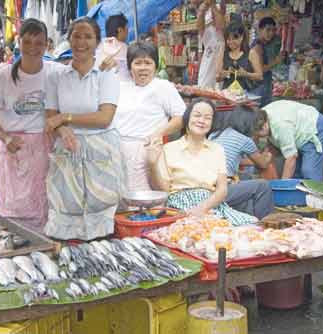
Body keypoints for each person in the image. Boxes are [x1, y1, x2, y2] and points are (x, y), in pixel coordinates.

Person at [43, 17, 123, 240]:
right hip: (68, 148)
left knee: (102, 207)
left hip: (101, 149)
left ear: (97, 41)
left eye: (88, 36)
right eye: (76, 35)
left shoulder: (106, 73)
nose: (81, 42)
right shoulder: (56, 75)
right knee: (66, 206)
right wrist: (61, 128)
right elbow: (50, 114)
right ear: (68, 39)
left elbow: (104, 117)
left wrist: (65, 118)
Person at [0, 18, 59, 233]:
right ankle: (17, 244)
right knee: (16, 206)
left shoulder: (56, 72)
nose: (33, 48)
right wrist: (5, 138)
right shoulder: (0, 78)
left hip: (47, 146)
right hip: (14, 148)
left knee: (48, 202)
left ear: (47, 45)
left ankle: (48, 246)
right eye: (27, 42)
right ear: (18, 42)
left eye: (39, 43)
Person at [148, 98, 257, 226]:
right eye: (197, 115)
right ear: (188, 118)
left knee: (252, 225)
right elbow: (164, 189)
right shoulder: (169, 149)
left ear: (212, 123)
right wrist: (152, 165)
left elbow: (222, 190)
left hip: (212, 205)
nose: (201, 121)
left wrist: (203, 208)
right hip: (180, 207)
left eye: (207, 117)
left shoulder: (217, 149)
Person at [113, 41, 185, 192]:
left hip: (149, 151)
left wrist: (157, 134)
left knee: (145, 199)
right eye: (138, 63)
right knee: (120, 198)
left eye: (148, 63)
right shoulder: (119, 87)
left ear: (156, 65)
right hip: (119, 152)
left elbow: (181, 117)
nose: (143, 68)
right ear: (129, 66)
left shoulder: (163, 87)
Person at [209, 106, 274, 219]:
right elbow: (262, 164)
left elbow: (238, 160)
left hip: (204, 184)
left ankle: (245, 218)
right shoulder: (244, 140)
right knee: (263, 186)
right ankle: (264, 224)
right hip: (219, 189)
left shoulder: (215, 134)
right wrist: (268, 155)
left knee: (246, 177)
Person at [254, 100, 323, 181]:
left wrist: (282, 185)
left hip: (315, 127)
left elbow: (291, 158)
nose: (258, 137)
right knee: (295, 172)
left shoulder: (280, 126)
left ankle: (315, 193)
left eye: (259, 135)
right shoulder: (259, 116)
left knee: (309, 171)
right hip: (298, 127)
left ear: (264, 127)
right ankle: (298, 192)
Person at [216, 21, 263, 96]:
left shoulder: (251, 53)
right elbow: (217, 78)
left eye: (234, 38)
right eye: (228, 39)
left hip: (247, 95)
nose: (231, 42)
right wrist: (226, 74)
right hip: (228, 96)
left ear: (241, 37)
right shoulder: (223, 54)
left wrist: (246, 74)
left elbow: (260, 76)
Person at [251, 17, 281, 106]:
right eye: (268, 30)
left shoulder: (264, 43)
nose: (271, 33)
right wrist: (276, 61)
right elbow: (260, 70)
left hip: (263, 86)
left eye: (273, 30)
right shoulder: (258, 46)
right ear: (260, 30)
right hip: (259, 88)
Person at [197, 0, 225, 89]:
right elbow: (200, 25)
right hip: (206, 75)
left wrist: (213, 5)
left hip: (218, 76)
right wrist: (203, 9)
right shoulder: (207, 33)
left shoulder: (223, 35)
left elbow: (221, 25)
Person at [95, 14, 130, 81]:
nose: (127, 33)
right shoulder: (124, 47)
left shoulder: (99, 44)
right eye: (126, 29)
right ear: (120, 30)